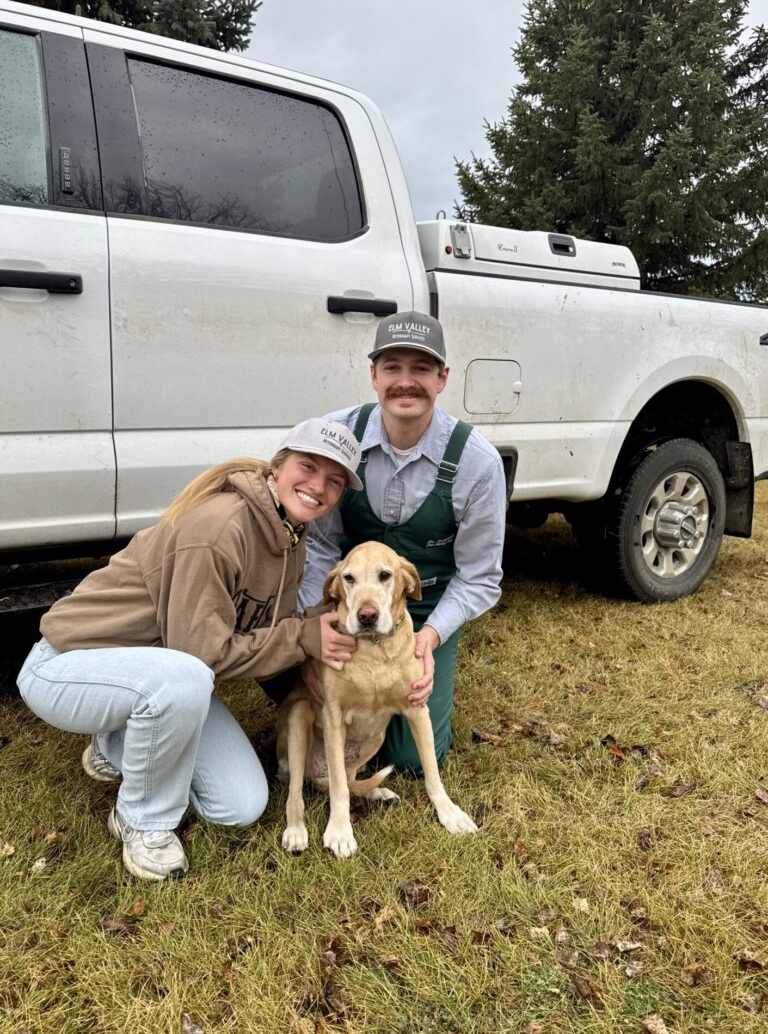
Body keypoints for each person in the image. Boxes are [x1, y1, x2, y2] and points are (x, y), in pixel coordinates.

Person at [16, 419, 362, 881]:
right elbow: (199, 655)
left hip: (155, 674)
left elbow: (265, 629)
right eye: (308, 466)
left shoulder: (290, 537)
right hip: (66, 666)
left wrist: (325, 631)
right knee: (187, 679)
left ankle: (117, 742)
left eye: (334, 481)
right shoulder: (219, 528)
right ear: (278, 466)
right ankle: (141, 822)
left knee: (239, 805)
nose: (318, 486)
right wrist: (302, 638)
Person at [299, 310, 507, 772]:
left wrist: (429, 639)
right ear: (373, 375)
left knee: (410, 761)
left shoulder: (478, 464)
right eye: (392, 367)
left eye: (421, 369)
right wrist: (317, 628)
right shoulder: (338, 438)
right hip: (352, 598)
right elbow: (319, 547)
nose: (405, 382)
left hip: (427, 607)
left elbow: (480, 577)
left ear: (442, 378)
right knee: (318, 695)